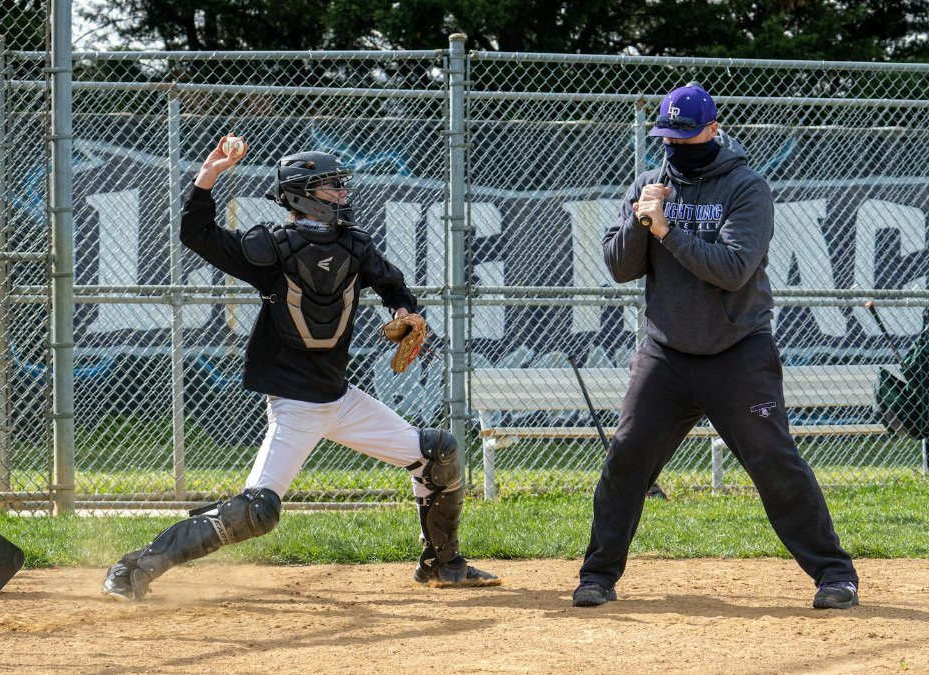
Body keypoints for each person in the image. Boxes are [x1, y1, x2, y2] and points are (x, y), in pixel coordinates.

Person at [102, 135, 500, 601]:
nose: (343, 195)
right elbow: (197, 236)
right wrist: (206, 179)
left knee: (438, 453)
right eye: (331, 187)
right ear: (301, 194)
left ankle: (442, 565)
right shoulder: (272, 247)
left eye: (340, 187)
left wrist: (402, 312)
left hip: (340, 398)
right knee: (258, 511)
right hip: (296, 404)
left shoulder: (356, 245)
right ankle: (133, 569)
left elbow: (393, 286)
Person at [572, 83, 859, 610]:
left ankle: (834, 575)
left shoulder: (747, 188)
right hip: (666, 352)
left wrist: (666, 232)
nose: (676, 147)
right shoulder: (649, 184)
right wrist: (643, 221)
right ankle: (597, 576)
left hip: (737, 350)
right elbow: (619, 268)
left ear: (712, 130)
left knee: (774, 462)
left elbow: (731, 269)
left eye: (686, 136)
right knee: (627, 460)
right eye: (667, 137)